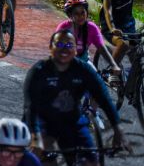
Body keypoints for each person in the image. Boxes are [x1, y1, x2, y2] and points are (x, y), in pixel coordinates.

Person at [24, 29, 129, 166]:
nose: (64, 49)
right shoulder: (38, 71)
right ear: (51, 48)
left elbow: (104, 98)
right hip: (43, 121)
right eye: (59, 45)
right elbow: (30, 106)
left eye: (69, 45)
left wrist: (117, 127)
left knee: (91, 161)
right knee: (43, 158)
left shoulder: (84, 69)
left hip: (73, 120)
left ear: (76, 50)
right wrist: (35, 136)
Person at [56, 0, 118, 70]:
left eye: (83, 12)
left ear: (87, 13)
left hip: (84, 61)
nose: (81, 16)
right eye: (76, 13)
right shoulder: (63, 27)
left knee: (95, 77)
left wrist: (114, 65)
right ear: (70, 15)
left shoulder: (92, 28)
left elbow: (101, 48)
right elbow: (57, 47)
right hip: (65, 62)